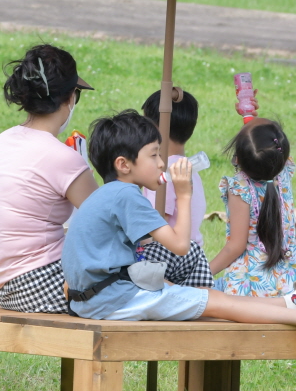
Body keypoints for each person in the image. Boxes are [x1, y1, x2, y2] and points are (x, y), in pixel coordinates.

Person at [64, 109, 296, 323]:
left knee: (204, 294)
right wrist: (183, 195)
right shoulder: (126, 195)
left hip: (92, 300)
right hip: (112, 300)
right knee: (217, 304)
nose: (161, 163)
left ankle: (286, 303)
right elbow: (181, 246)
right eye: (154, 155)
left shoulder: (108, 194)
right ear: (124, 165)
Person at [0, 44, 100, 313]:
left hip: (2, 287)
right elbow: (108, 221)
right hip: (41, 283)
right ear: (70, 98)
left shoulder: (1, 141)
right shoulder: (62, 157)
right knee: (167, 261)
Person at [211, 119, 296, 296]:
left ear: (237, 158)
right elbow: (263, 149)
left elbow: (236, 246)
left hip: (250, 287)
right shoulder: (283, 171)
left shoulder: (240, 188)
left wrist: (203, 273)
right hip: (288, 280)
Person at [140, 87, 205, 246]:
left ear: (157, 128)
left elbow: (155, 225)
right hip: (192, 254)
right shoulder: (188, 168)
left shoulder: (163, 173)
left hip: (168, 255)